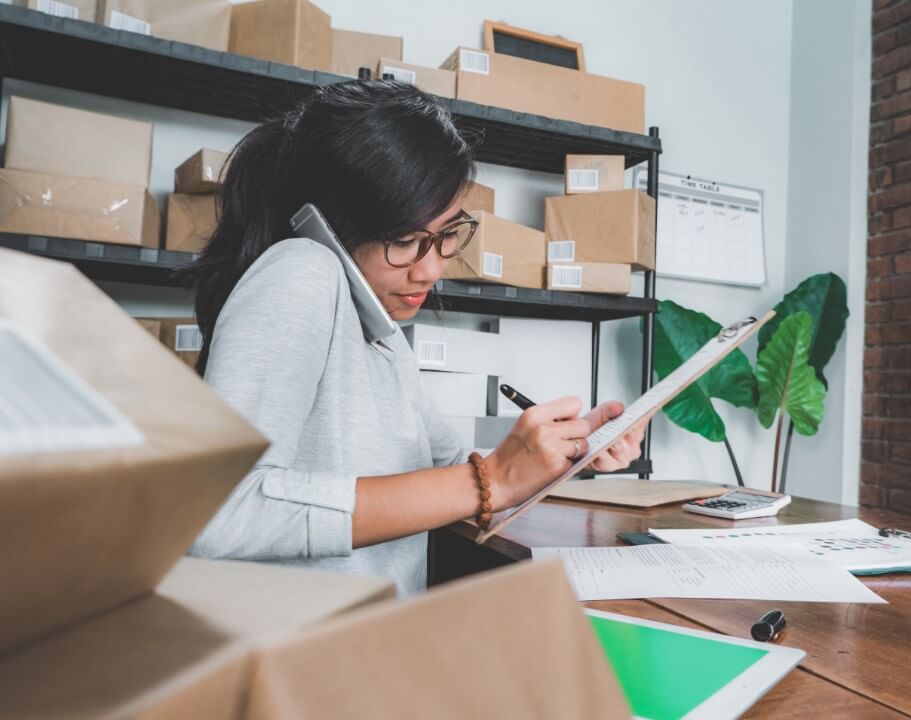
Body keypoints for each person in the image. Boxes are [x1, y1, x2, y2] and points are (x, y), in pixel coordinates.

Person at [182, 81, 645, 594]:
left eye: (447, 234)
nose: (430, 269)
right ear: (331, 223)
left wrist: (565, 448)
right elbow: (215, 514)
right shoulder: (301, 271)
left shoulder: (379, 329)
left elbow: (445, 475)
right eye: (404, 241)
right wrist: (491, 478)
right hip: (304, 659)